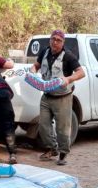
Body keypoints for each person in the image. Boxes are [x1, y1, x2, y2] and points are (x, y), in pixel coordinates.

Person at [30, 29, 85, 165]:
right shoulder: (44, 52)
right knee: (43, 125)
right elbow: (36, 66)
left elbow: (81, 72)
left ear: (63, 42)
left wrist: (69, 79)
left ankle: (63, 153)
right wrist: (32, 72)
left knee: (62, 128)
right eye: (53, 39)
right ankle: (51, 149)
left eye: (58, 40)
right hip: (46, 95)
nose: (55, 42)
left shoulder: (68, 56)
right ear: (50, 39)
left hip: (63, 97)